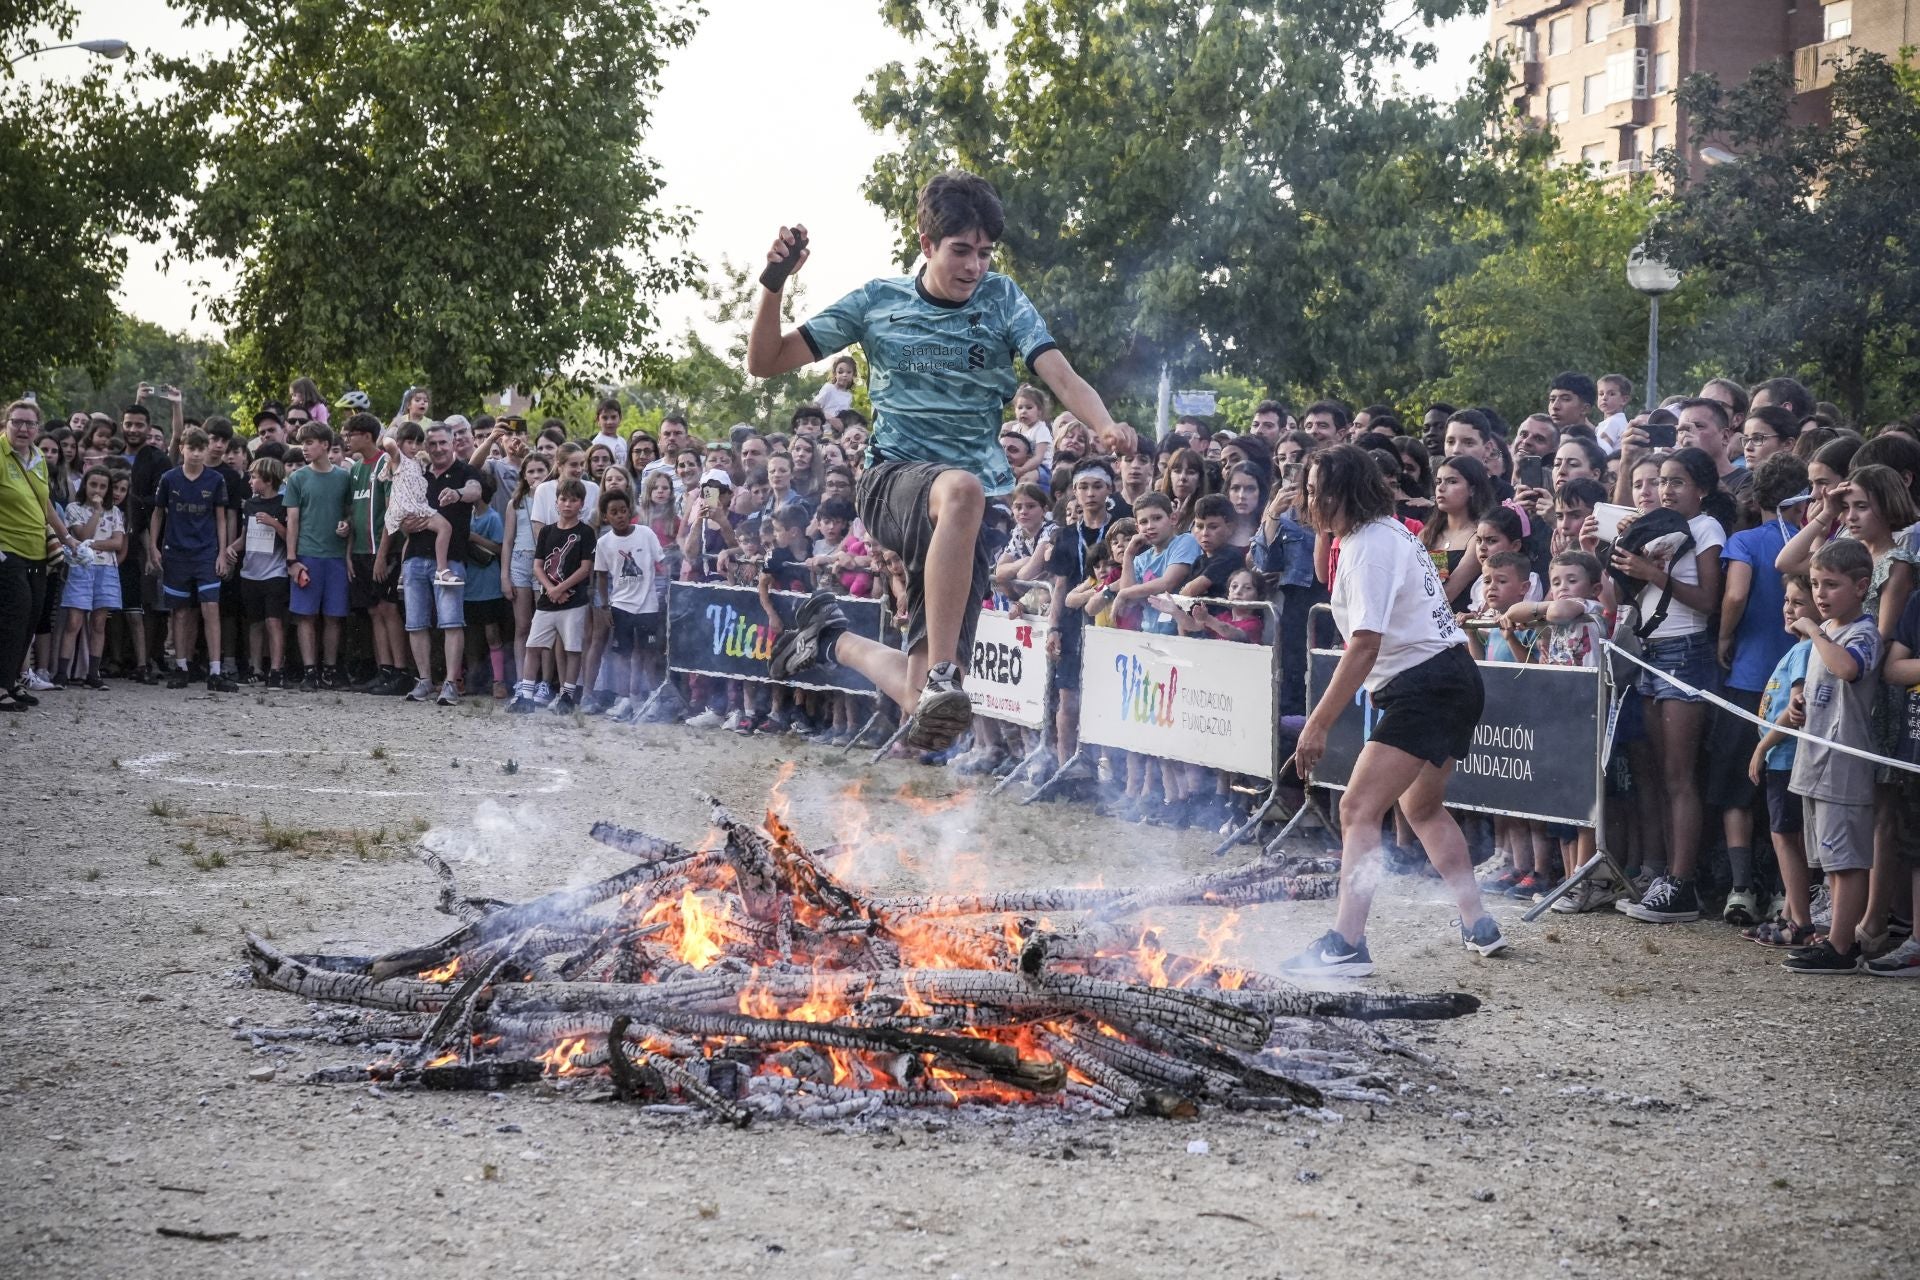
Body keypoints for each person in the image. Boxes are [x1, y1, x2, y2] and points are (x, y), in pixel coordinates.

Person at [747, 169, 1131, 752]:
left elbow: (1058, 372)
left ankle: (832, 640)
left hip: (971, 515)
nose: (975, 267)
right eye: (960, 251)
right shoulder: (879, 301)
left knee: (927, 707)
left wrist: (1105, 425)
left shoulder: (1003, 299)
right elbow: (766, 360)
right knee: (961, 490)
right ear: (926, 244)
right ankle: (945, 672)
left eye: (984, 253)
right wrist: (774, 283)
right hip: (893, 483)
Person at [1286, 445, 1507, 976]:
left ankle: (1347, 942)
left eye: (1317, 490)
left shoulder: (1369, 545)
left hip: (1426, 685)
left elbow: (1364, 644)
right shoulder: (1381, 535)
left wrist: (1317, 724)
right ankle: (1479, 922)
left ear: (1342, 492)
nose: (1308, 499)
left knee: (1358, 809)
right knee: (1422, 809)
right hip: (1449, 677)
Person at [1613, 447, 1729, 925]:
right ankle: (1666, 878)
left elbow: (1707, 600)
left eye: (1678, 481)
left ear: (1701, 488)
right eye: (1662, 481)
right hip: (1650, 653)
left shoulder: (1706, 528)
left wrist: (1653, 574)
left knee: (1680, 775)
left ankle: (1682, 885)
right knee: (1660, 773)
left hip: (1687, 652)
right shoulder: (1655, 525)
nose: (1665, 490)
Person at [1781, 539, 1883, 974]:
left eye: (1832, 585)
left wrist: (1815, 632)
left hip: (1843, 766)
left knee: (1847, 861)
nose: (1820, 595)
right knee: (1830, 862)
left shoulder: (1862, 632)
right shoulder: (1827, 634)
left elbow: (1848, 668)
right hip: (1815, 760)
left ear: (1861, 587)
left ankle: (1843, 947)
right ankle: (1833, 936)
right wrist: (1799, 698)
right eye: (1817, 584)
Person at [1746, 573, 1817, 948]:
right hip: (1782, 758)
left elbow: (1795, 709)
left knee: (1785, 837)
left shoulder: (1805, 651)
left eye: (1798, 603)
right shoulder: (1798, 648)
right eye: (1787, 601)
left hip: (1786, 757)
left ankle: (1800, 923)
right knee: (1787, 835)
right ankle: (1790, 913)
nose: (1789, 609)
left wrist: (1762, 747)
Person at [396, 424, 481, 706]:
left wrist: (457, 493)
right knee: (416, 623)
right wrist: (406, 521)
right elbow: (400, 511)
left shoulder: (466, 471)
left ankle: (450, 684)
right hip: (415, 558)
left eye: (443, 442)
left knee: (451, 622)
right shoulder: (417, 473)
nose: (438, 448)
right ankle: (423, 681)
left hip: (451, 560)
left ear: (453, 443)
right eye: (432, 444)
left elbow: (474, 491)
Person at [150, 426, 236, 691]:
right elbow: (158, 513)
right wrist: (153, 546)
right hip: (176, 553)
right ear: (182, 449)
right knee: (180, 612)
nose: (197, 453)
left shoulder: (215, 480)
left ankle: (215, 671)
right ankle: (182, 667)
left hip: (206, 553)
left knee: (211, 608)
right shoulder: (169, 479)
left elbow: (221, 518)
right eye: (192, 448)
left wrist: (222, 552)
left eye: (201, 448)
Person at [284, 422, 355, 690]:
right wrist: (292, 560)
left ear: (325, 445)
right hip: (308, 554)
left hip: (336, 556)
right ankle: (309, 670)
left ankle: (330, 669)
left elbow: (350, 511)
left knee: (334, 616)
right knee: (305, 615)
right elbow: (292, 520)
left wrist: (347, 524)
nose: (305, 448)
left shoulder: (344, 477)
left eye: (310, 442)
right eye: (303, 443)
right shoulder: (297, 478)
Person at [344, 413, 409, 696]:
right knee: (373, 610)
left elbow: (392, 513)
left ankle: (400, 671)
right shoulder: (356, 468)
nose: (346, 439)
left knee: (388, 608)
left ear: (367, 436)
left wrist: (382, 555)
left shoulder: (386, 463)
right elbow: (352, 513)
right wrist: (348, 552)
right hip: (359, 550)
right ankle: (383, 670)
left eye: (351, 434)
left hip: (382, 549)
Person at [593, 488, 663, 722]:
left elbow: (662, 564)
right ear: (605, 517)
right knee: (623, 655)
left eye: (623, 510)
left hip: (648, 606)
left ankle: (652, 698)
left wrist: (667, 591)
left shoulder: (646, 534)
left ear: (630, 510)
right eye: (614, 512)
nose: (620, 515)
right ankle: (625, 700)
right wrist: (605, 606)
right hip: (620, 606)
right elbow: (601, 576)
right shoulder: (604, 543)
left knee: (648, 654)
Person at [54, 465, 125, 689]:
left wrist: (89, 544)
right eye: (94, 484)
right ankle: (62, 674)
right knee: (74, 621)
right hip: (81, 569)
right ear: (85, 485)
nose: (98, 490)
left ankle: (93, 674)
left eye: (103, 486)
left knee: (99, 622)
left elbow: (117, 543)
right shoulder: (74, 509)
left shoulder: (115, 512)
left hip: (107, 570)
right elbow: (82, 534)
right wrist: (95, 512)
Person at [229, 456, 290, 687]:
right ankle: (255, 668)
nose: (250, 481)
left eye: (254, 477)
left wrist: (275, 523)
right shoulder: (251, 505)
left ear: (268, 479)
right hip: (250, 573)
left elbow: (290, 537)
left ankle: (276, 669)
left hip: (275, 572)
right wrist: (230, 548)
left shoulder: (284, 503)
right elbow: (244, 538)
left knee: (273, 621)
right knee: (254, 623)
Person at [379, 423, 462, 587]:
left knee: (410, 539)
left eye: (418, 443)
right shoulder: (398, 458)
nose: (414, 447)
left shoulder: (416, 461)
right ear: (400, 442)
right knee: (445, 527)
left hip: (409, 507)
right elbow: (387, 443)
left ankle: (403, 575)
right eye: (410, 442)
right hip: (411, 506)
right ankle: (442, 569)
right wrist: (394, 429)